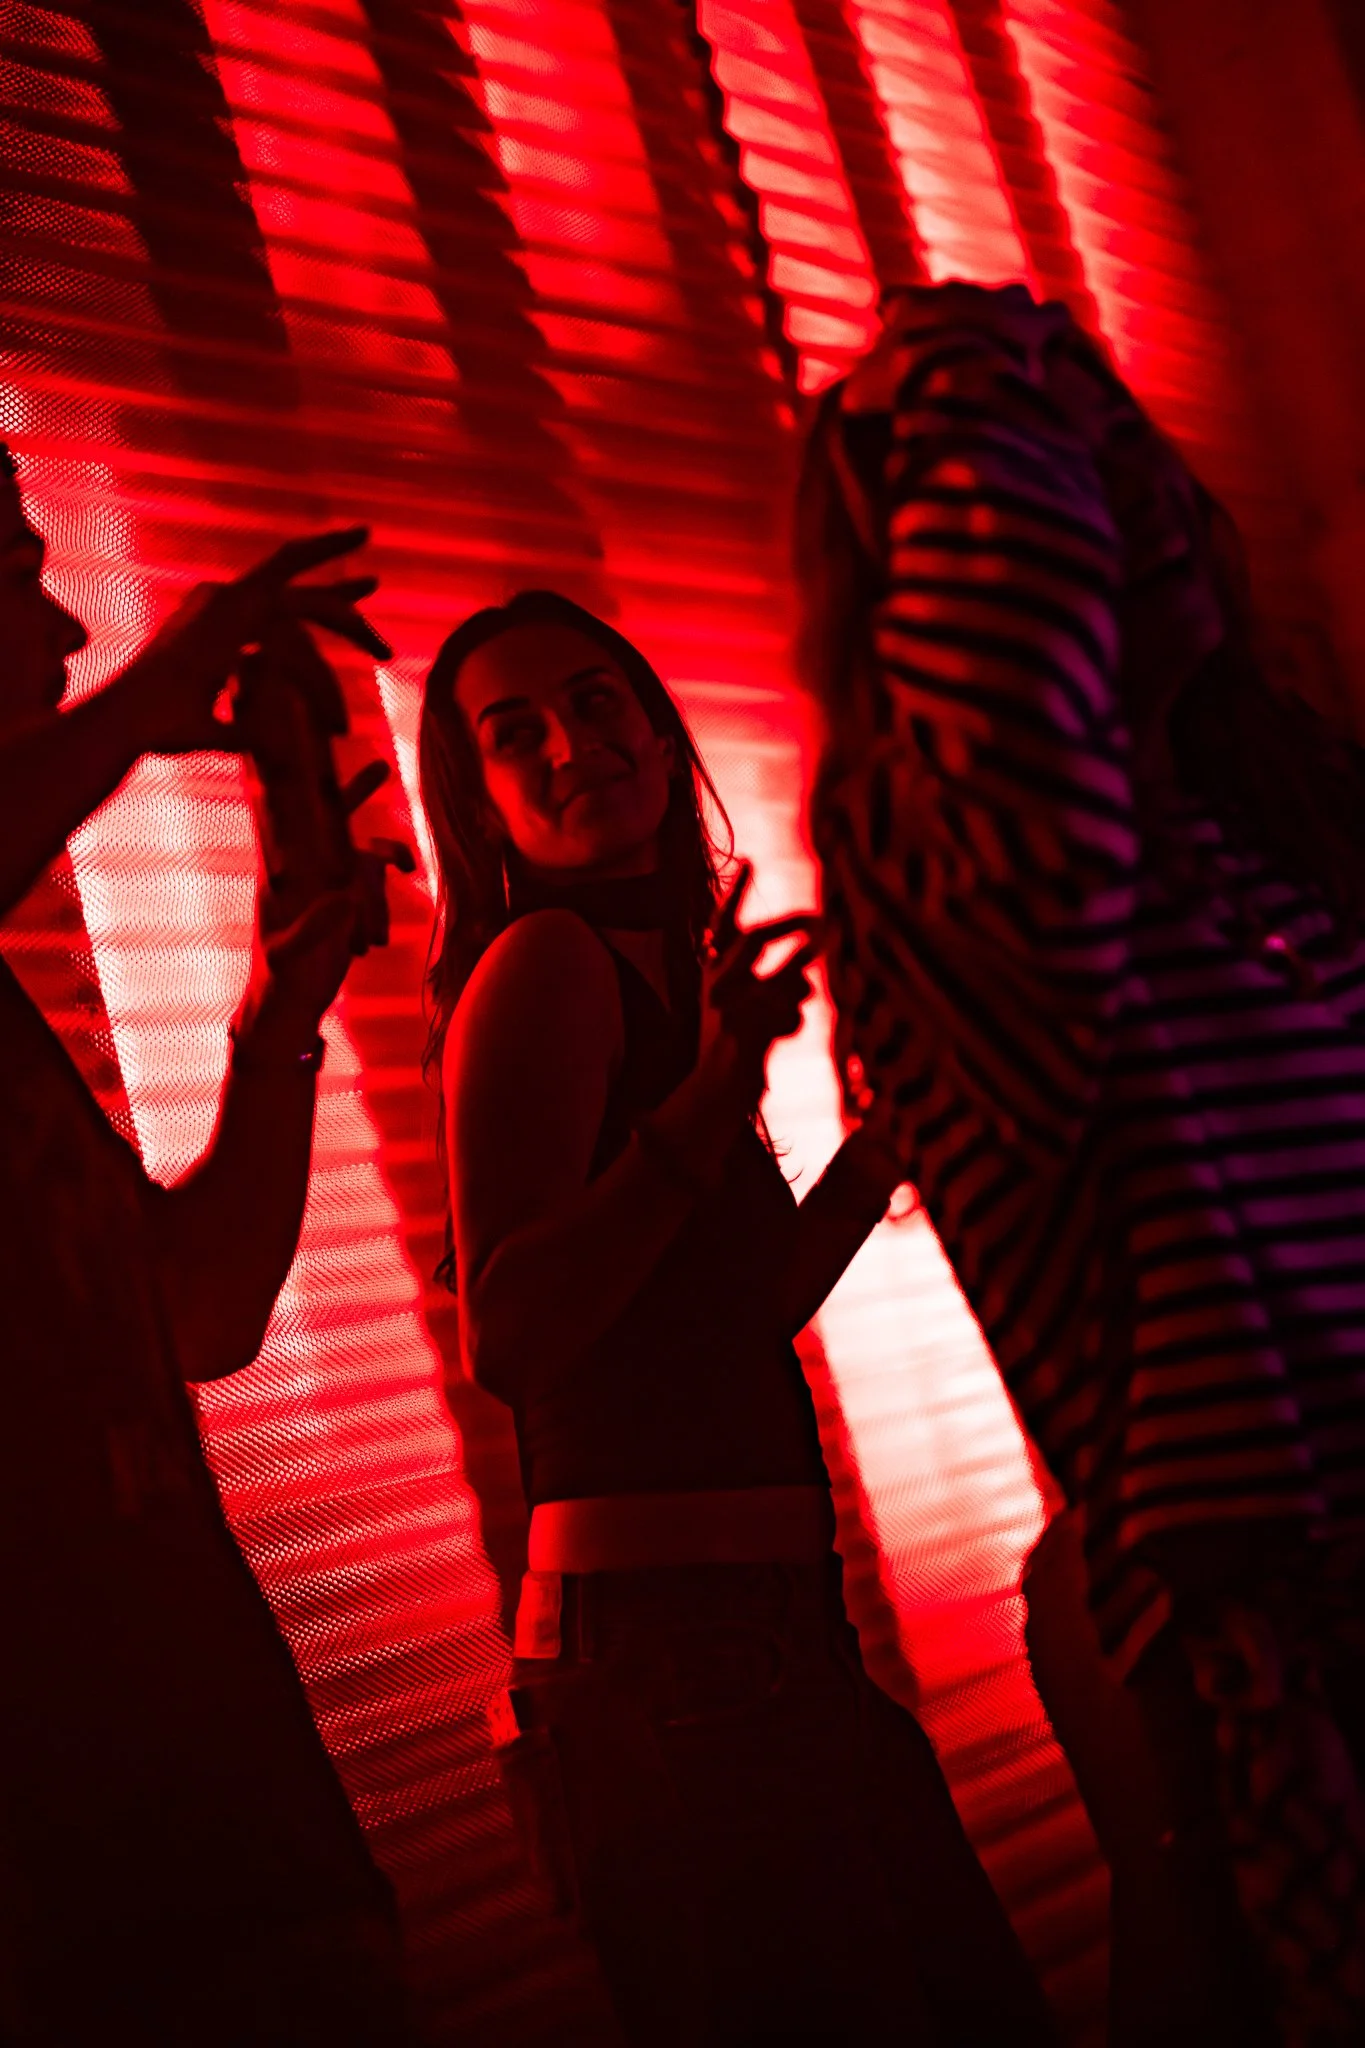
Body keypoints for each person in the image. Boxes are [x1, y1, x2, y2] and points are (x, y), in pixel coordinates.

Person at [797, 280, 1365, 2045]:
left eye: (1105, 413)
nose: (1102, 454)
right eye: (1030, 441)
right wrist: (963, 367)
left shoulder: (1291, 816)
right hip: (1303, 1654)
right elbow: (1031, 790)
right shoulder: (934, 886)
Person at [418, 588, 1058, 2046]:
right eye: (517, 737)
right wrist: (714, 1098)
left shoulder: (678, 980)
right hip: (662, 1660)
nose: (575, 746)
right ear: (482, 804)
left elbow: (742, 1309)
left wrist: (898, 1131)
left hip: (768, 1634)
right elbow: (507, 1335)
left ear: (655, 720)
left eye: (596, 703)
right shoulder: (549, 966)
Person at [0, 441, 415, 2046]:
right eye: (11, 575)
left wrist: (274, 1025)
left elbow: (199, 1312)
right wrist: (170, 675)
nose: (63, 636)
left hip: (238, 1845)